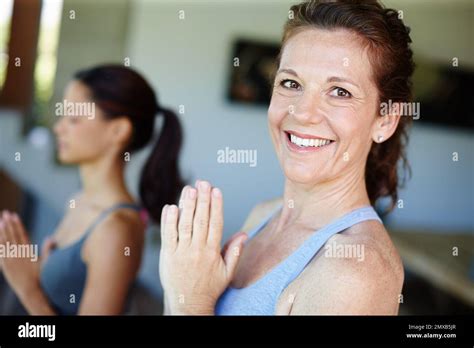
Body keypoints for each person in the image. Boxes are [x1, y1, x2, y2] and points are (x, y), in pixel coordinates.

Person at [159, 0, 413, 315]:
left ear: (385, 120)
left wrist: (191, 302)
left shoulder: (355, 271)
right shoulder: (263, 216)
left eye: (340, 92)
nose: (303, 114)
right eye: (291, 84)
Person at [0, 65, 183, 315]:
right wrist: (40, 269)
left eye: (73, 119)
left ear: (118, 130)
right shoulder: (79, 201)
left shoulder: (115, 229)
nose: (58, 128)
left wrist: (28, 288)